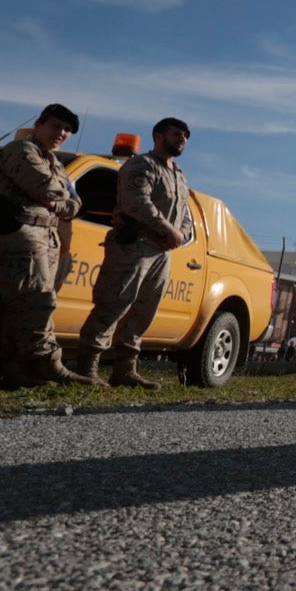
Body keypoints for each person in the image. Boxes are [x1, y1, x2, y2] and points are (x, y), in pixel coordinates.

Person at [0, 104, 101, 387]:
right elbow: (48, 190)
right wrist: (60, 201)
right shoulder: (20, 151)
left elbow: (74, 203)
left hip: (46, 235)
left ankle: (15, 370)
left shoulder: (56, 163)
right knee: (38, 301)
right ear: (39, 124)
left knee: (22, 307)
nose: (62, 133)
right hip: (18, 229)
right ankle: (50, 364)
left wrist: (60, 203)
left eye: (67, 130)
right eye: (56, 126)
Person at [73, 117, 195, 389]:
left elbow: (185, 215)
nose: (182, 139)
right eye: (176, 134)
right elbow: (136, 201)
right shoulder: (141, 164)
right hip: (134, 245)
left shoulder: (179, 175)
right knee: (114, 304)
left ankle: (125, 370)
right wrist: (167, 229)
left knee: (144, 310)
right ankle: (87, 369)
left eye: (185, 136)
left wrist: (181, 234)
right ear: (158, 135)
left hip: (162, 252)